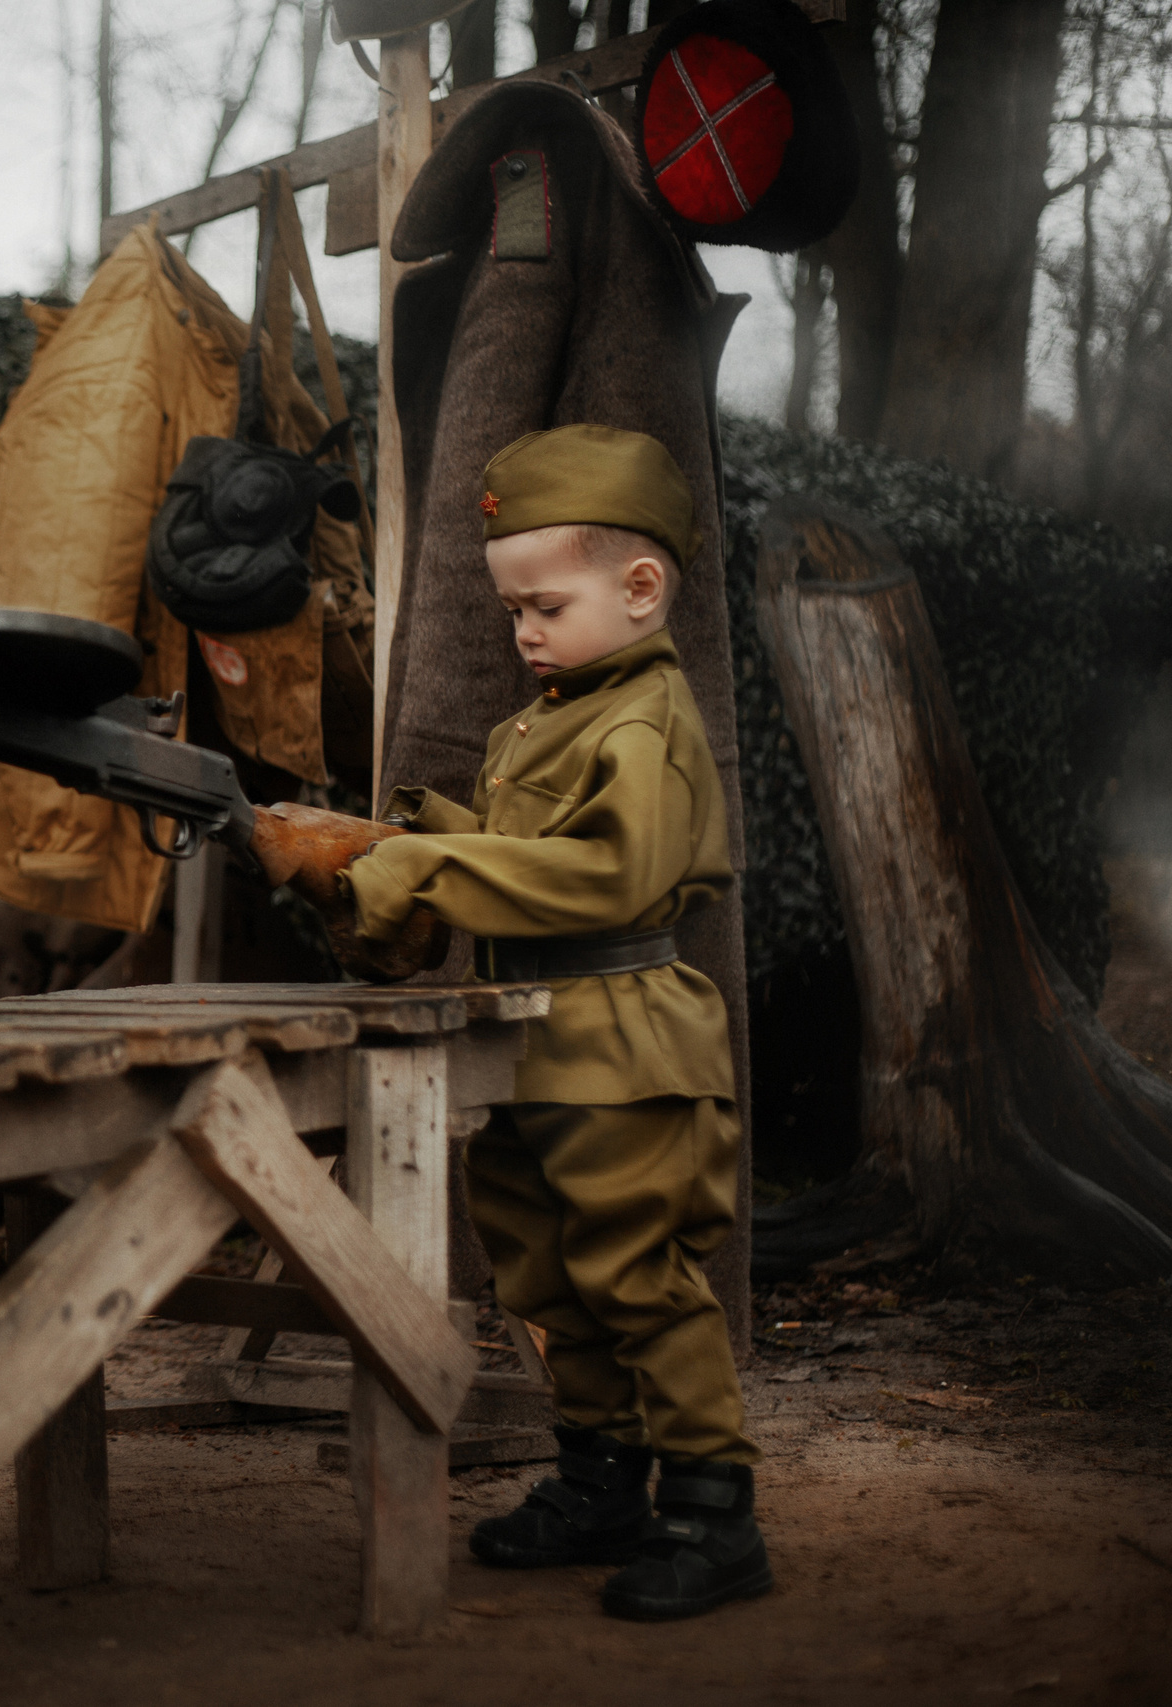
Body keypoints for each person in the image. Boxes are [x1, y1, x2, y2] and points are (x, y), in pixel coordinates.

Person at [341, 423, 769, 1621]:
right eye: (511, 610)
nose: (522, 631)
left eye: (542, 605)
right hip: (533, 1042)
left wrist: (429, 870)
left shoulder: (643, 719)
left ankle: (712, 1511)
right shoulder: (553, 713)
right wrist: (410, 830)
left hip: (623, 1042)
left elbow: (610, 879)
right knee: (546, 1283)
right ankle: (599, 1488)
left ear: (640, 590)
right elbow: (524, 844)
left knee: (638, 1278)